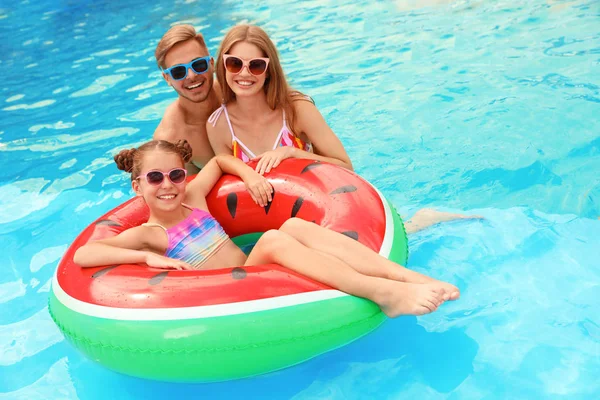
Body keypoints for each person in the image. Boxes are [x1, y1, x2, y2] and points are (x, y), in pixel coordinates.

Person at [73, 139, 460, 317]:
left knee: (292, 223)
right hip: (233, 292)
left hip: (253, 265)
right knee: (276, 236)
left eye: (175, 174)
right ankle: (384, 293)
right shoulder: (148, 234)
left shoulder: (195, 197)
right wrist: (142, 256)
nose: (169, 184)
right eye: (155, 178)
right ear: (137, 186)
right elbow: (85, 254)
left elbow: (222, 160)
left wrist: (249, 175)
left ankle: (405, 275)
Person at [206, 24, 353, 175]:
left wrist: (292, 153)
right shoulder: (219, 126)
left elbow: (346, 166)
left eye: (256, 65)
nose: (244, 73)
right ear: (223, 66)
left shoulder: (298, 110)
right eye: (234, 63)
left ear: (269, 70)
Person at [153, 24, 222, 172]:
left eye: (198, 64)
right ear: (167, 78)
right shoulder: (171, 139)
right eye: (178, 71)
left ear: (211, 63)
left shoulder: (237, 93)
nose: (191, 75)